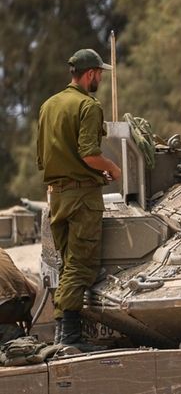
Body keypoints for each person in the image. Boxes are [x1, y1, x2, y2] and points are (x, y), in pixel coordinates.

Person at [37, 48, 122, 350]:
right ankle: (70, 335)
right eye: (99, 73)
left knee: (66, 264)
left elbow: (41, 157)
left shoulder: (49, 105)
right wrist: (112, 168)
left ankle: (62, 334)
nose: (100, 78)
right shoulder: (88, 105)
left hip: (56, 195)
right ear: (90, 74)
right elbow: (89, 154)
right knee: (81, 265)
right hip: (82, 196)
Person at [0, 248, 37, 342]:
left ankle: (9, 333)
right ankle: (14, 335)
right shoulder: (2, 252)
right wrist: (25, 315)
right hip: (22, 304)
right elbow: (33, 289)